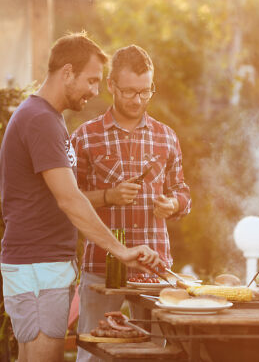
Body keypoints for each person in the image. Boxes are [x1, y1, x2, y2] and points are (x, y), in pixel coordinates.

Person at [0, 33, 164, 362]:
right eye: (90, 80)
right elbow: (69, 199)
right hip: (39, 266)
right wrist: (120, 250)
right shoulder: (41, 120)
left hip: (38, 264)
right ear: (67, 72)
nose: (94, 90)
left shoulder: (45, 117)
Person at [70, 44, 191, 362]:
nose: (137, 100)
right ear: (111, 86)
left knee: (153, 355)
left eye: (145, 91)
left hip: (154, 270)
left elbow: (183, 191)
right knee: (93, 354)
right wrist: (108, 196)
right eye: (129, 92)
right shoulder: (85, 137)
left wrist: (173, 205)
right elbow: (68, 200)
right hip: (102, 266)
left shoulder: (166, 137)